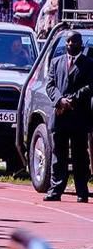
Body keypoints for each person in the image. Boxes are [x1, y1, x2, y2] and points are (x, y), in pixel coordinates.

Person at [44, 32, 93, 202]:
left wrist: (72, 99)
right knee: (58, 155)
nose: (71, 44)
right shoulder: (56, 62)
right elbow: (50, 85)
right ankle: (55, 190)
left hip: (79, 117)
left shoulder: (89, 64)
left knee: (80, 156)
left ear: (81, 44)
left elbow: (90, 86)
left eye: (74, 41)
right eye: (68, 41)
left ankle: (82, 192)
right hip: (60, 116)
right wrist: (60, 100)